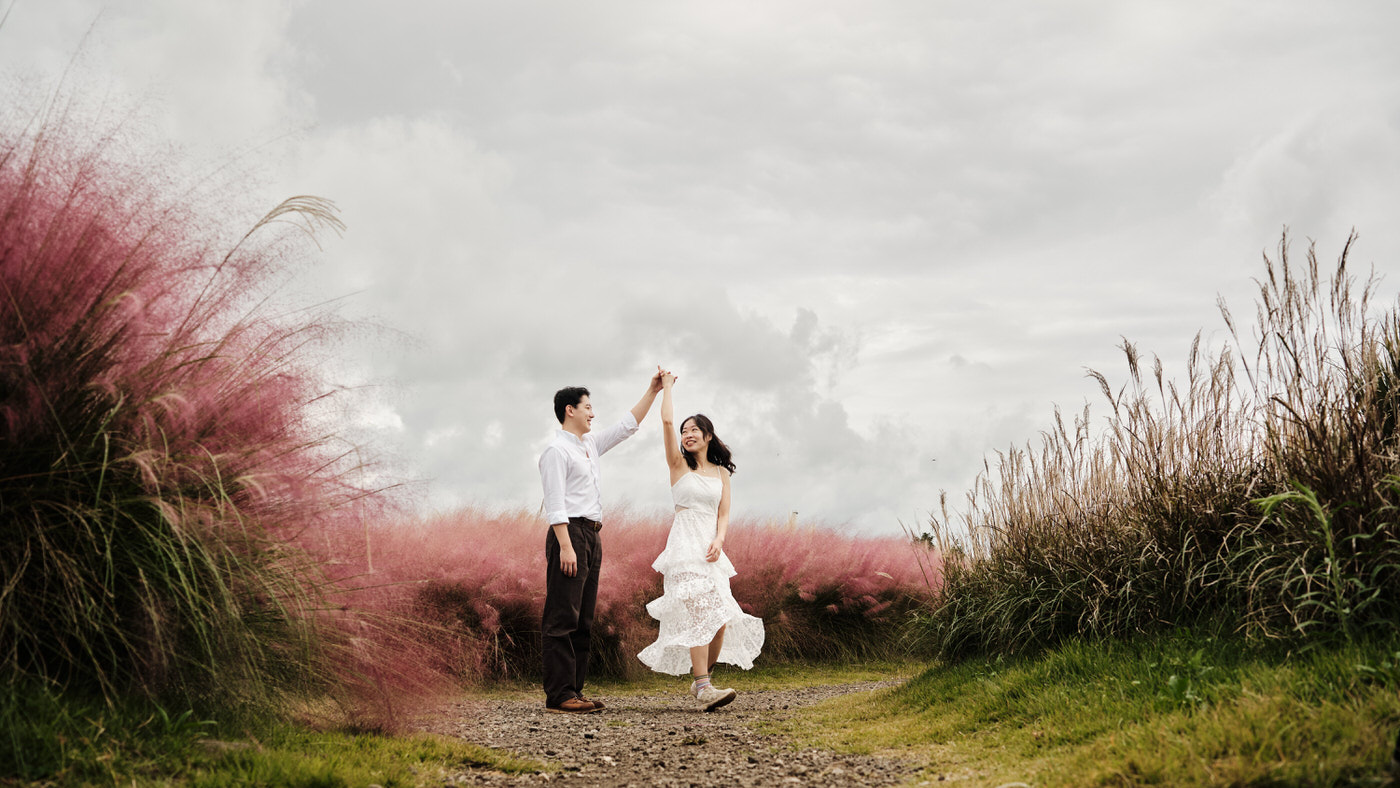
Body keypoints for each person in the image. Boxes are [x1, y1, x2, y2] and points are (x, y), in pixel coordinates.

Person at [539, 370, 666, 714]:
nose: (593, 414)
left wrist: (652, 392)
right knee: (563, 615)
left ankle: (574, 691)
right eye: (588, 407)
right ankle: (559, 694)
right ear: (570, 410)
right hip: (570, 534)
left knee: (584, 619)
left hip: (593, 535)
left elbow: (627, 426)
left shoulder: (589, 445)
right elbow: (555, 503)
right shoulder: (555, 450)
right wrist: (565, 545)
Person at [638, 371, 765, 710]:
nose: (687, 434)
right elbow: (666, 422)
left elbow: (724, 513)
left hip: (711, 551)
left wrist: (720, 540)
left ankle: (702, 682)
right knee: (700, 616)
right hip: (684, 548)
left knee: (719, 620)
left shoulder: (722, 473)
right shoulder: (679, 466)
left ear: (708, 436)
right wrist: (666, 389)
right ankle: (704, 687)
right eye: (685, 431)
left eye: (694, 429)